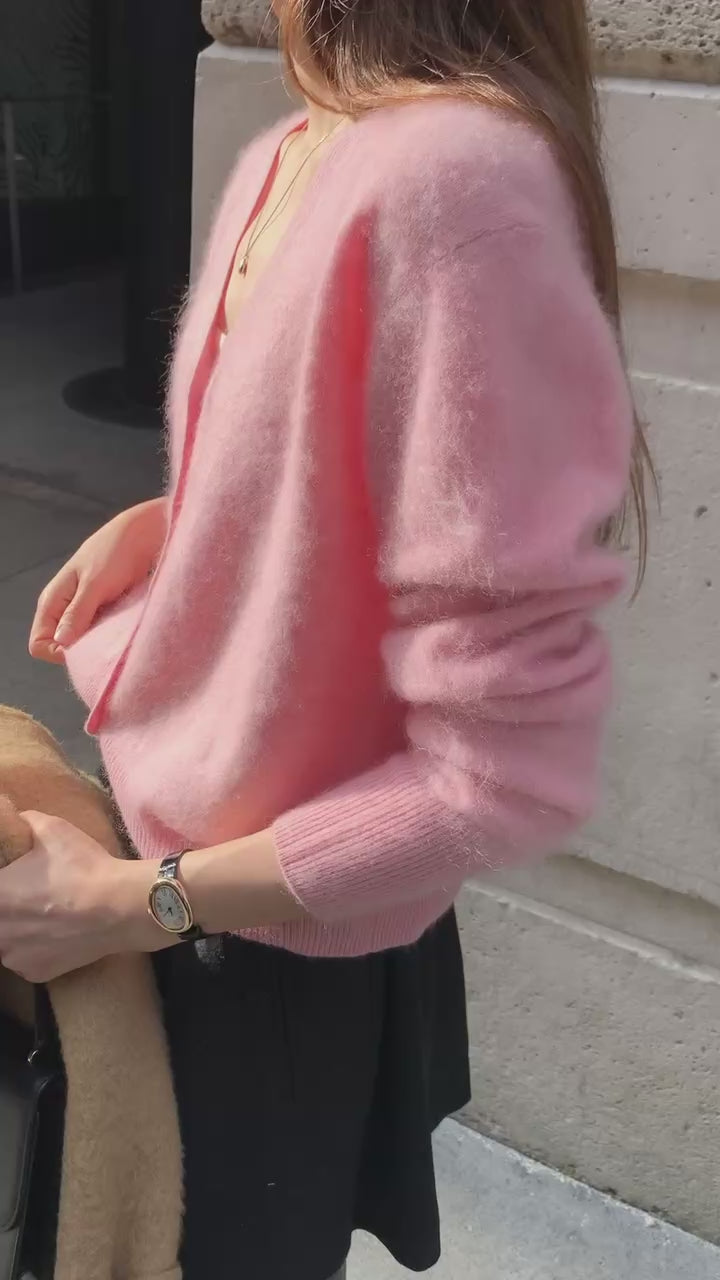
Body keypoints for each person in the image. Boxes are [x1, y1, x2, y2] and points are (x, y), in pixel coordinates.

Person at [1, 2, 649, 1278]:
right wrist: (179, 522)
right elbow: (344, 475)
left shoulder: (457, 184)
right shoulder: (308, 139)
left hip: (260, 935)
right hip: (182, 873)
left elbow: (494, 779)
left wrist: (138, 902)